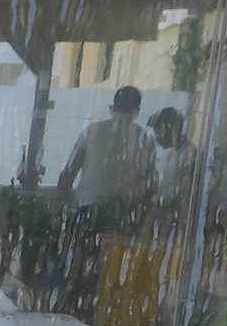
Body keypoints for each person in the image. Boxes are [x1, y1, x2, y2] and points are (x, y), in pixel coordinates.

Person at [56, 85, 157, 223]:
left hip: (87, 210)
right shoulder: (143, 139)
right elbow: (150, 185)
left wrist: (59, 209)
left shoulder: (91, 132)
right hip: (123, 215)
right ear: (136, 111)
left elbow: (69, 171)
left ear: (113, 107)